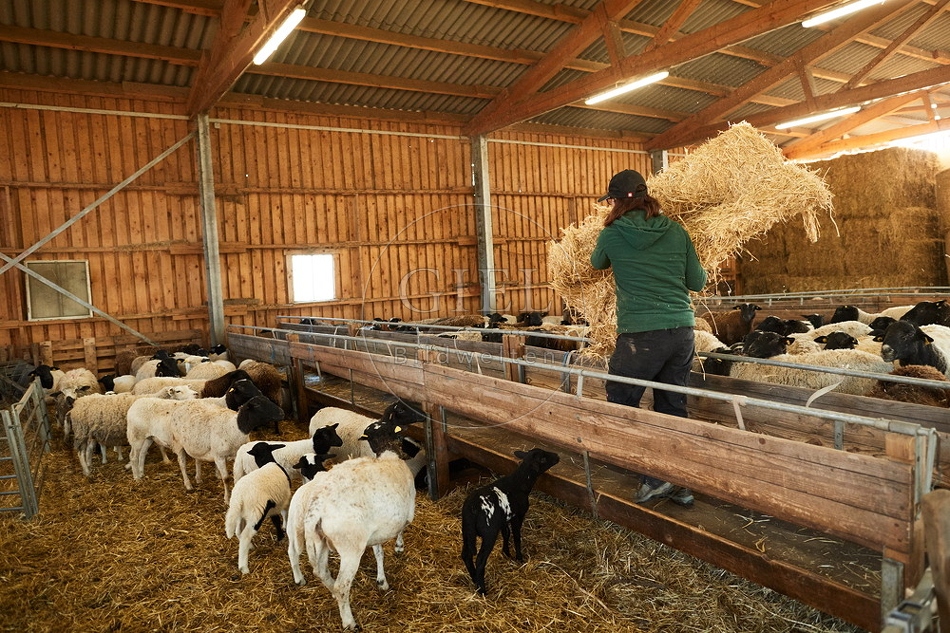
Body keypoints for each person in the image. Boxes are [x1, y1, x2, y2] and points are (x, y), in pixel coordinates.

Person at [590, 169, 707, 507]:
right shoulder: (676, 230)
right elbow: (697, 282)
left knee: (623, 400)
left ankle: (654, 478)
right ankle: (677, 480)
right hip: (681, 331)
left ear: (615, 201)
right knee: (672, 404)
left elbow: (596, 263)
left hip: (639, 334)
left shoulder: (612, 234)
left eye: (609, 200)